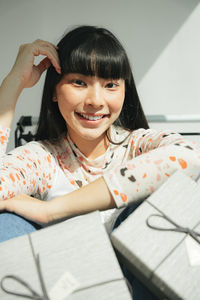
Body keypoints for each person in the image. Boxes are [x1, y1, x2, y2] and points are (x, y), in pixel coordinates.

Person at [0, 25, 200, 299]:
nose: (95, 100)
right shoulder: (42, 159)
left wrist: (52, 210)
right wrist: (12, 84)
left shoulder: (137, 146)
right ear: (55, 92)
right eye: (79, 82)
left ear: (124, 91)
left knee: (147, 201)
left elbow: (191, 156)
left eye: (110, 85)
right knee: (6, 225)